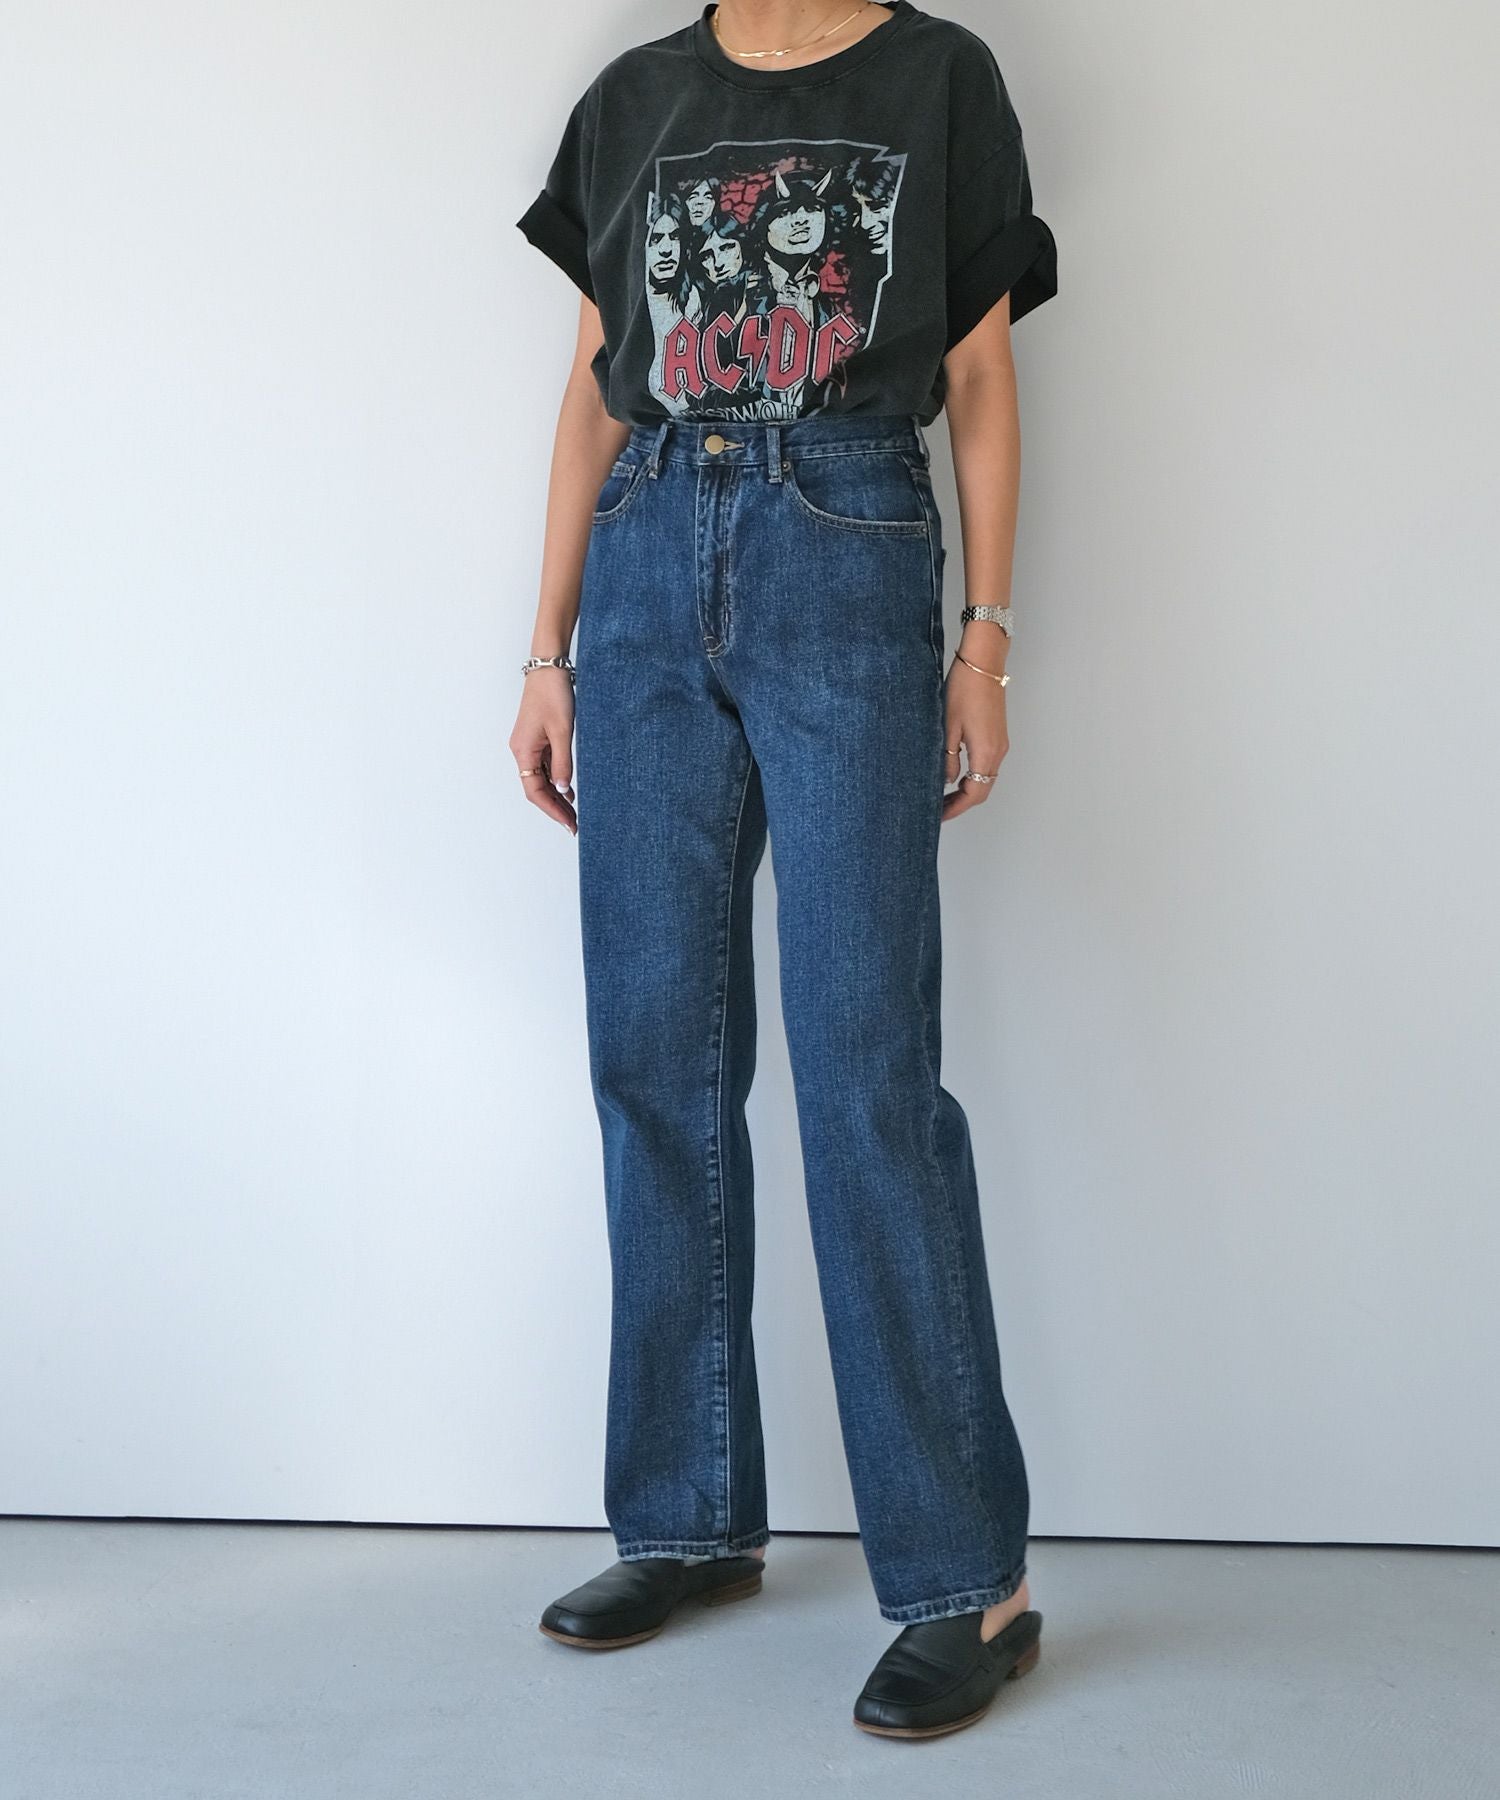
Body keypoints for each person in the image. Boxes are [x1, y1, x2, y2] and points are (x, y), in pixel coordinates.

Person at [512, 0, 1057, 1740]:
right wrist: (547, 650)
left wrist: (984, 641)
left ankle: (972, 1583)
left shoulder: (938, 77)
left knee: (865, 1070)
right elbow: (594, 383)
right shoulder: (633, 100)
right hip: (644, 563)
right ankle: (686, 1519)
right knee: (654, 1061)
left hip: (845, 545)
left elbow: (979, 374)